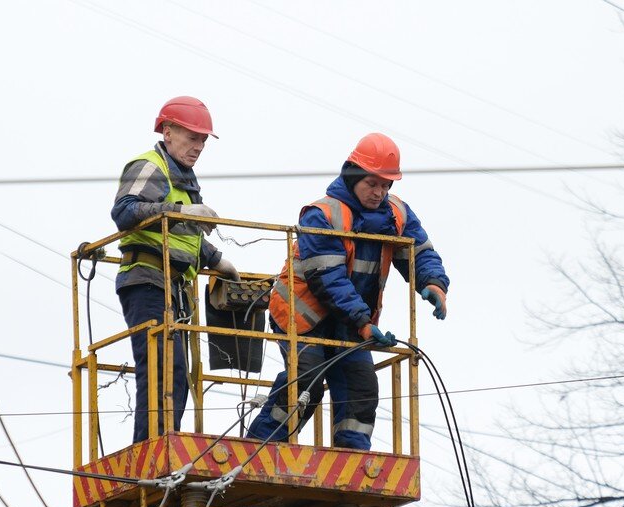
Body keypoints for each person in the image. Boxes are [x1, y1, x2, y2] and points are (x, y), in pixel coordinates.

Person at [247, 133, 449, 451]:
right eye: (372, 183)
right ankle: (260, 447)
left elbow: (419, 251)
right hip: (303, 315)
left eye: (386, 185)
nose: (379, 192)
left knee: (361, 386)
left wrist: (433, 282)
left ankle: (352, 456)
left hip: (351, 322)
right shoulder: (323, 215)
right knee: (306, 381)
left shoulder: (396, 214)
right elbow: (329, 279)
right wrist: (364, 323)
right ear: (354, 175)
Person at [111, 96, 238, 443]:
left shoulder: (185, 180)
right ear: (167, 132)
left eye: (202, 140)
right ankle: (151, 452)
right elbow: (124, 213)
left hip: (173, 287)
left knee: (176, 374)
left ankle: (164, 445)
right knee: (163, 370)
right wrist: (181, 213)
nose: (198, 146)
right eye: (191, 137)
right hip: (146, 280)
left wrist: (216, 261)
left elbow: (183, 239)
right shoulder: (151, 166)